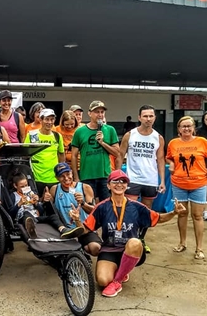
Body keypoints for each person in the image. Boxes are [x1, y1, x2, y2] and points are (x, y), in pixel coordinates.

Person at [80, 170, 186, 298]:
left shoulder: (136, 206)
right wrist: (75, 220)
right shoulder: (101, 207)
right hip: (110, 249)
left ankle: (117, 281)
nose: (119, 184)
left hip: (130, 250)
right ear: (108, 185)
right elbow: (86, 228)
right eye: (115, 181)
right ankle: (121, 270)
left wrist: (174, 213)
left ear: (127, 186)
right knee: (102, 281)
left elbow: (159, 218)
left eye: (123, 181)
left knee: (135, 242)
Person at [167, 116, 207, 260]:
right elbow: (169, 157)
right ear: (178, 129)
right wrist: (171, 164)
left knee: (197, 216)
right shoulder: (173, 143)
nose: (186, 129)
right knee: (182, 214)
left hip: (199, 183)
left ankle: (199, 248)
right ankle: (182, 243)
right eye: (183, 126)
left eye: (189, 126)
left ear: (194, 128)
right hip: (179, 184)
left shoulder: (202, 142)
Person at [117, 105, 165, 253]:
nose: (148, 119)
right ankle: (128, 239)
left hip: (150, 180)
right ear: (139, 117)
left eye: (151, 116)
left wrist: (162, 180)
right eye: (145, 116)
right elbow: (120, 154)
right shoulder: (130, 135)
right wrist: (118, 175)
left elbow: (161, 159)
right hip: (132, 179)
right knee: (129, 211)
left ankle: (141, 239)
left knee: (146, 213)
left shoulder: (158, 138)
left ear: (154, 118)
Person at [48, 163, 102, 256]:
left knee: (95, 248)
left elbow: (93, 211)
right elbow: (49, 210)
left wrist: (83, 203)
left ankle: (82, 249)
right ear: (57, 178)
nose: (66, 178)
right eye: (61, 176)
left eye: (68, 174)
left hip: (85, 229)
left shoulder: (84, 187)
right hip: (67, 230)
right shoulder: (54, 189)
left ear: (72, 173)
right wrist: (44, 199)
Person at [71, 101, 120, 202]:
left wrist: (102, 143)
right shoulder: (80, 132)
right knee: (89, 205)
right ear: (89, 113)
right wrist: (76, 176)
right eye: (97, 112)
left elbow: (117, 153)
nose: (100, 115)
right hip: (86, 175)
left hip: (104, 175)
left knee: (106, 205)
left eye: (102, 112)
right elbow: (74, 156)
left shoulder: (110, 130)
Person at [9, 172, 82, 239]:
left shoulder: (31, 193)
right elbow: (11, 214)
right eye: (22, 186)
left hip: (36, 217)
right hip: (22, 218)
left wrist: (36, 203)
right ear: (15, 186)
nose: (25, 188)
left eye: (26, 185)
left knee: (53, 216)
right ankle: (31, 231)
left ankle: (63, 229)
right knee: (26, 214)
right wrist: (19, 204)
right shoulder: (13, 196)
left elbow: (41, 211)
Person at [25, 109, 65, 195]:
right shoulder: (32, 135)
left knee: (54, 205)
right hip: (36, 178)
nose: (49, 122)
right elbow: (25, 155)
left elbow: (61, 154)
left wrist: (61, 173)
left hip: (54, 178)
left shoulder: (57, 136)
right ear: (40, 120)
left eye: (52, 119)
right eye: (47, 119)